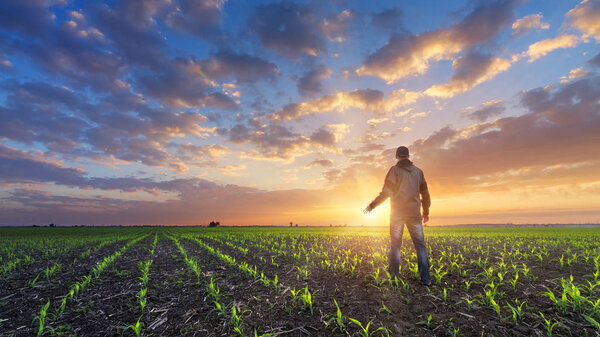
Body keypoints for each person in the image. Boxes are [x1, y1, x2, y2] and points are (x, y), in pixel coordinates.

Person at [364, 146, 431, 286]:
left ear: (396, 156)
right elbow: (425, 194)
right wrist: (426, 212)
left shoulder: (394, 171)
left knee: (395, 246)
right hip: (414, 214)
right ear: (408, 156)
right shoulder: (419, 172)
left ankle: (393, 278)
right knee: (420, 246)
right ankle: (425, 280)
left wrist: (372, 206)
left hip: (397, 214)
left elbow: (386, 193)